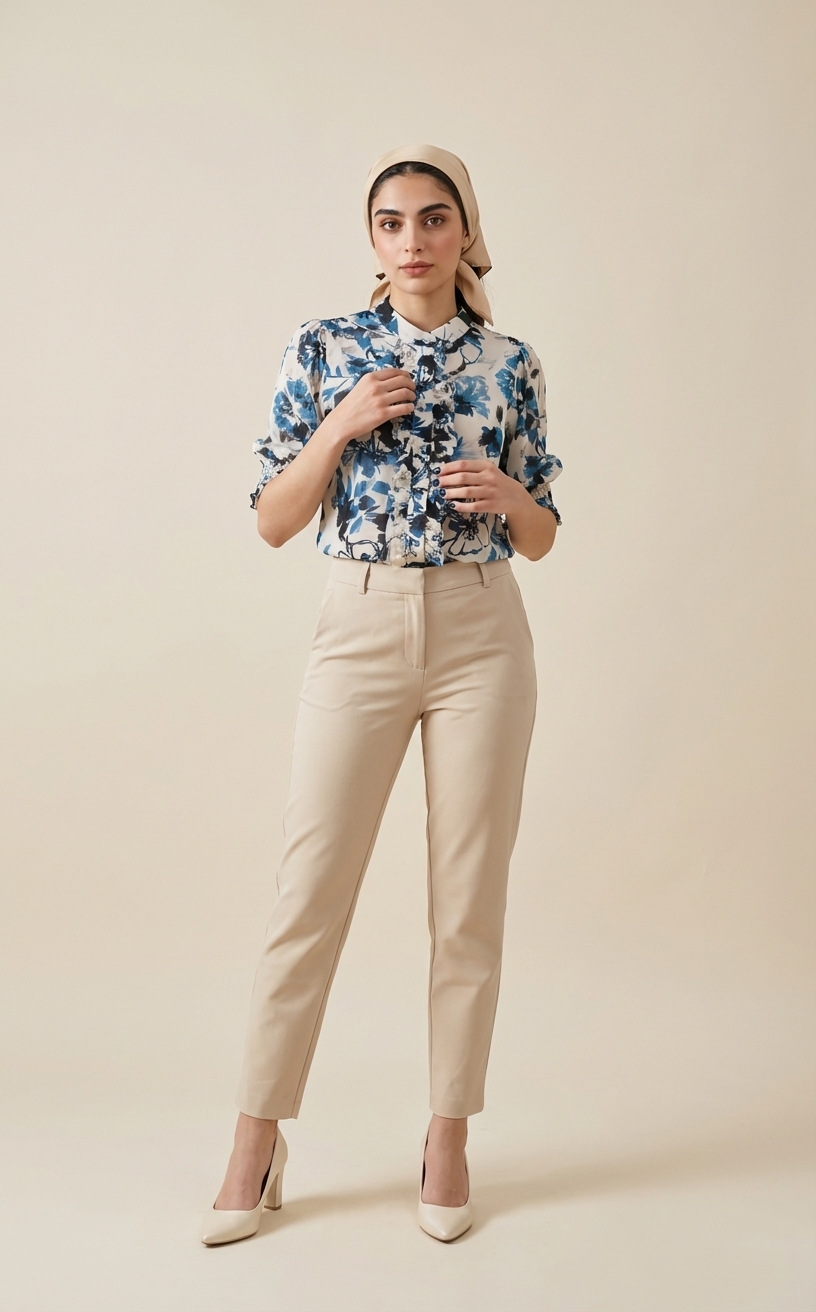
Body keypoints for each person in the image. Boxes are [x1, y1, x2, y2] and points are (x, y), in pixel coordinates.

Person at [201, 144, 563, 1246]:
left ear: (466, 232)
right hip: (358, 625)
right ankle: (255, 1140)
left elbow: (543, 535)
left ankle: (448, 1136)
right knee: (308, 890)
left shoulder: (511, 362)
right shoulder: (324, 349)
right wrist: (339, 425)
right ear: (373, 240)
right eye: (393, 222)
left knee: (469, 896)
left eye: (434, 218)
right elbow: (272, 518)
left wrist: (508, 496)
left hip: (481, 630)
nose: (414, 239)